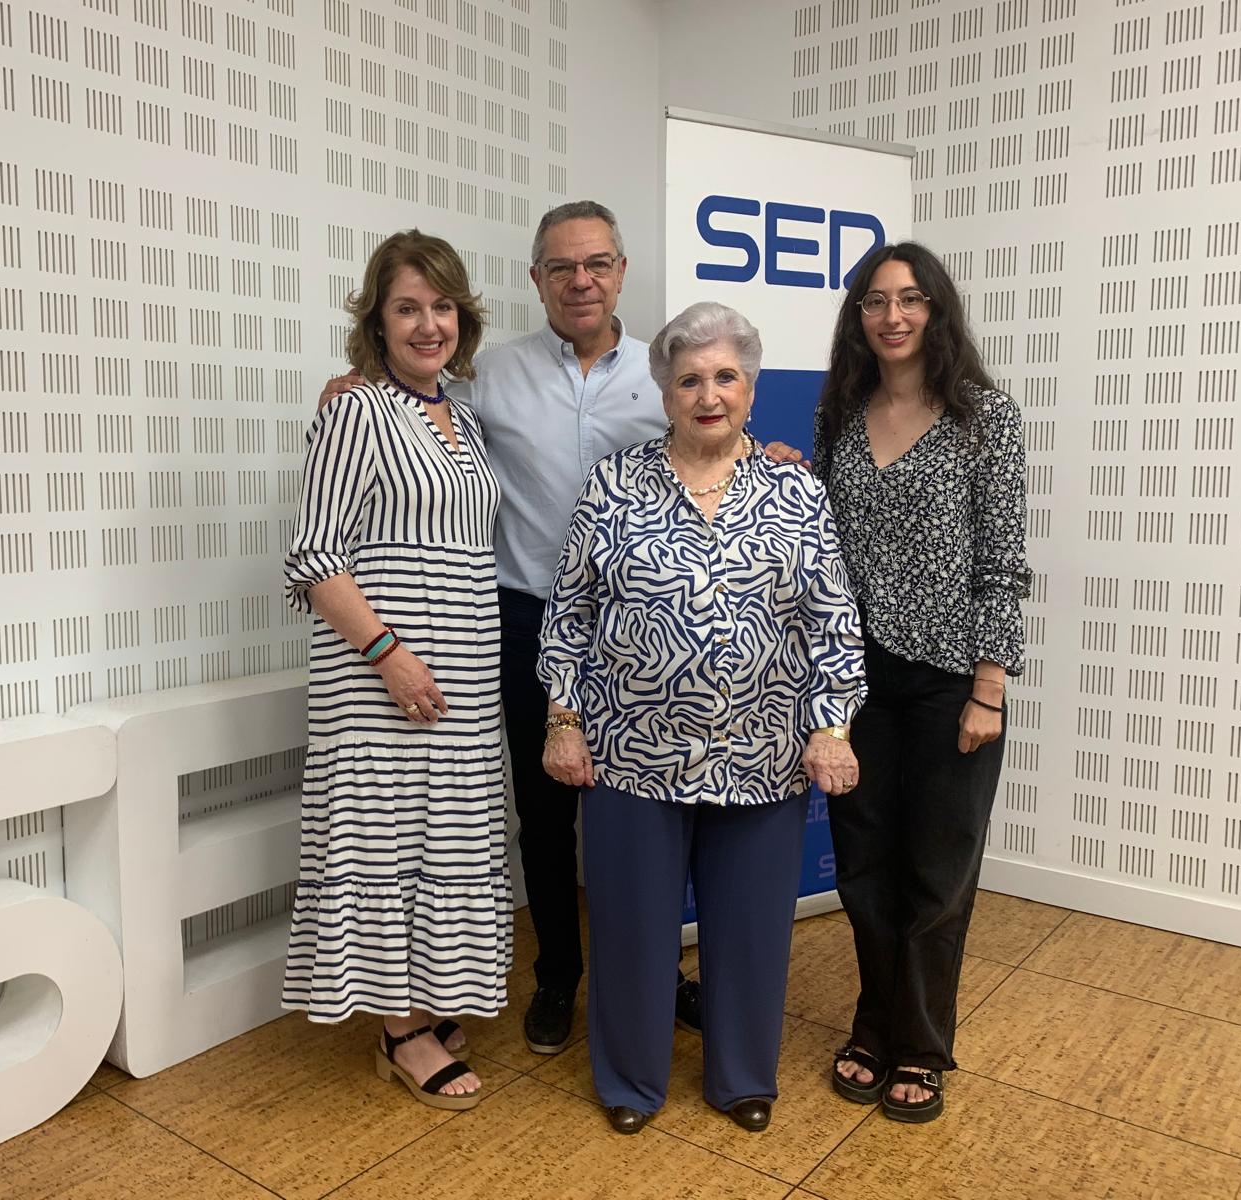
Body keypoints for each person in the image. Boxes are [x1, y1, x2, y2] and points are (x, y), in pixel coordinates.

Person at [320, 202, 697, 1057]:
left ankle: (658, 975)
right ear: (536, 280)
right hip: (523, 618)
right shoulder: (485, 378)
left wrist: (772, 454)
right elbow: (402, 403)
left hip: (644, 628)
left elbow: (716, 439)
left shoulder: (663, 372)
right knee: (543, 809)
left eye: (597, 263)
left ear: (622, 269)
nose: (581, 281)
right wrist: (353, 382)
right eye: (561, 267)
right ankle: (559, 973)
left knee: (647, 806)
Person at [537, 301, 866, 1135]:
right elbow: (568, 613)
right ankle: (629, 1081)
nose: (708, 393)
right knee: (632, 931)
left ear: (750, 389)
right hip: (630, 755)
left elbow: (834, 621)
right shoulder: (615, 484)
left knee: (751, 933)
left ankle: (742, 1076)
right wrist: (562, 719)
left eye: (725, 376)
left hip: (763, 756)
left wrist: (832, 728)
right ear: (665, 392)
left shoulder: (797, 490)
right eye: (689, 378)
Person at [281, 230, 512, 1111]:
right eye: (408, 308)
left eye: (442, 306)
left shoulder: (464, 414)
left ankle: (421, 999)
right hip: (383, 677)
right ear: (376, 321)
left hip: (462, 678)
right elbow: (313, 555)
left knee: (441, 841)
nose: (428, 324)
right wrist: (389, 656)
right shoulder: (356, 410)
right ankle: (400, 1031)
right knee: (384, 842)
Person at [807, 241, 1030, 1123]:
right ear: (857, 318)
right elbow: (816, 540)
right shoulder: (840, 415)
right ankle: (873, 1023)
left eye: (908, 299)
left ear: (936, 309)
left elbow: (1003, 565)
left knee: (938, 876)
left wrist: (990, 688)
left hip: (952, 686)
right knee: (865, 868)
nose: (891, 316)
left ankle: (922, 1044)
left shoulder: (986, 418)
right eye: (873, 301)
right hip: (858, 684)